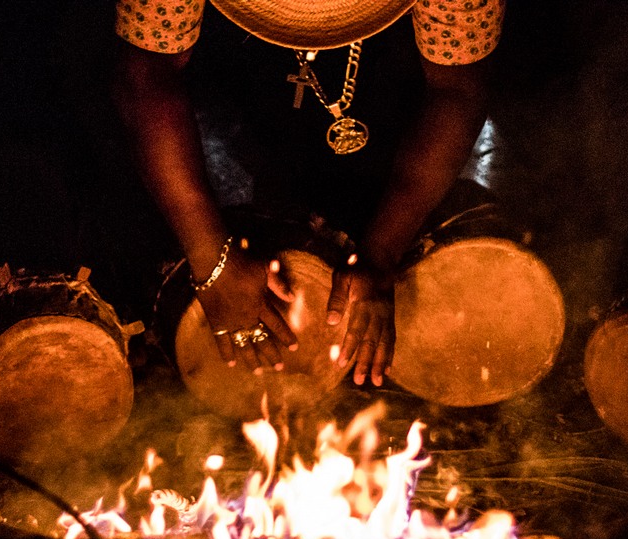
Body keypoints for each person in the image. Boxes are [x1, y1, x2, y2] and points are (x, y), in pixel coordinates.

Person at [112, 0, 504, 387]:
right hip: (225, 96)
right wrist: (210, 256)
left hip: (391, 105)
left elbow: (457, 86)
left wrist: (383, 251)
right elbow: (146, 72)